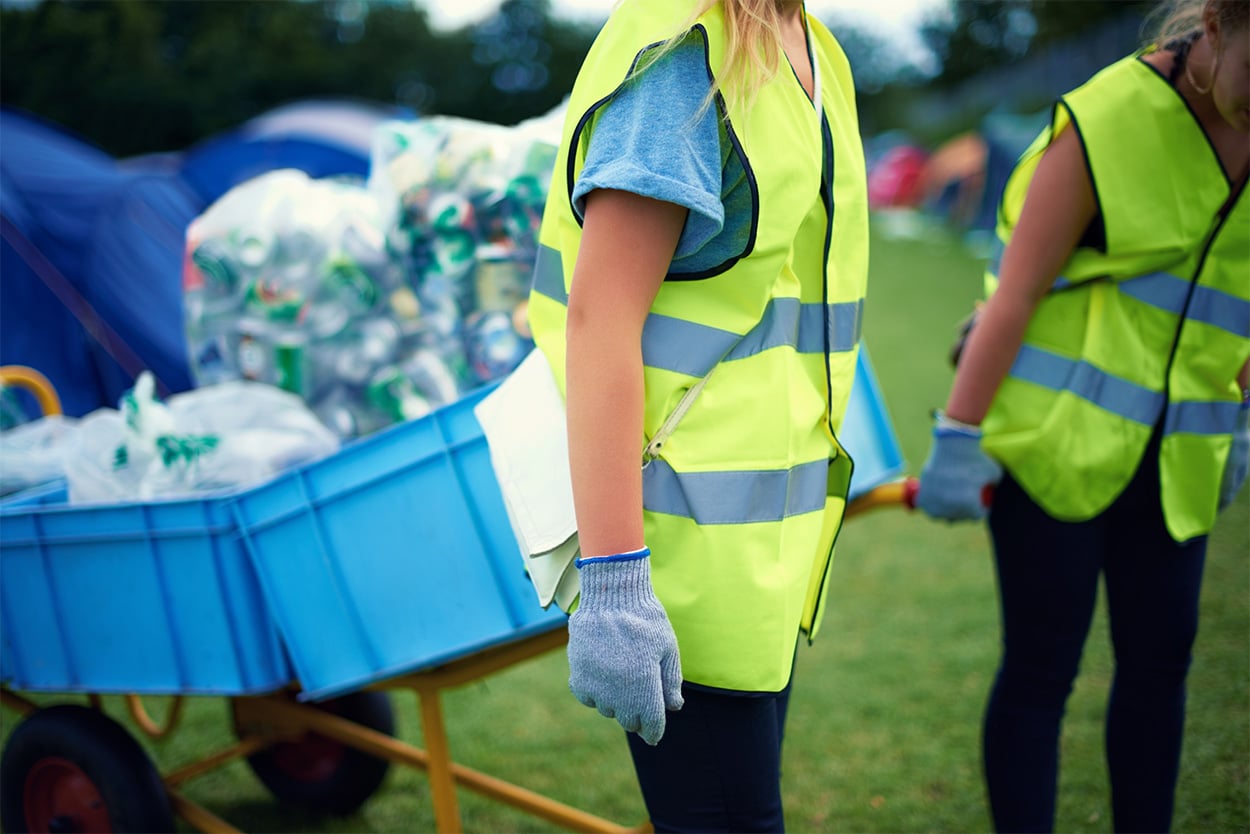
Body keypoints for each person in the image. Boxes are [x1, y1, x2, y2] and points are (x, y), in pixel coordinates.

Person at [523, 0, 869, 830]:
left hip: (757, 545)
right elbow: (598, 320)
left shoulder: (815, 47)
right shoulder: (682, 56)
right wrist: (613, 585)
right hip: (671, 553)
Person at [915, 0, 1249, 831]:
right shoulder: (1108, 118)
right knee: (1040, 671)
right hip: (1055, 447)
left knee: (1161, 665)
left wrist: (1239, 417)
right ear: (1215, 24)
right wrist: (958, 435)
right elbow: (1016, 292)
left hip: (1179, 456)